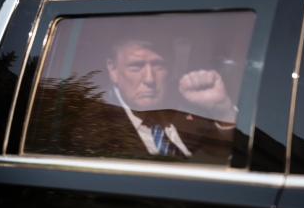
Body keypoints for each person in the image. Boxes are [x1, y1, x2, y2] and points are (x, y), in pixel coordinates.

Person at [100, 39, 237, 163]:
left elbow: (223, 156)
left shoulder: (188, 106)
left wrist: (223, 111)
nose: (149, 79)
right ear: (113, 70)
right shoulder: (94, 125)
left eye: (158, 65)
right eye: (136, 66)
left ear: (171, 67)